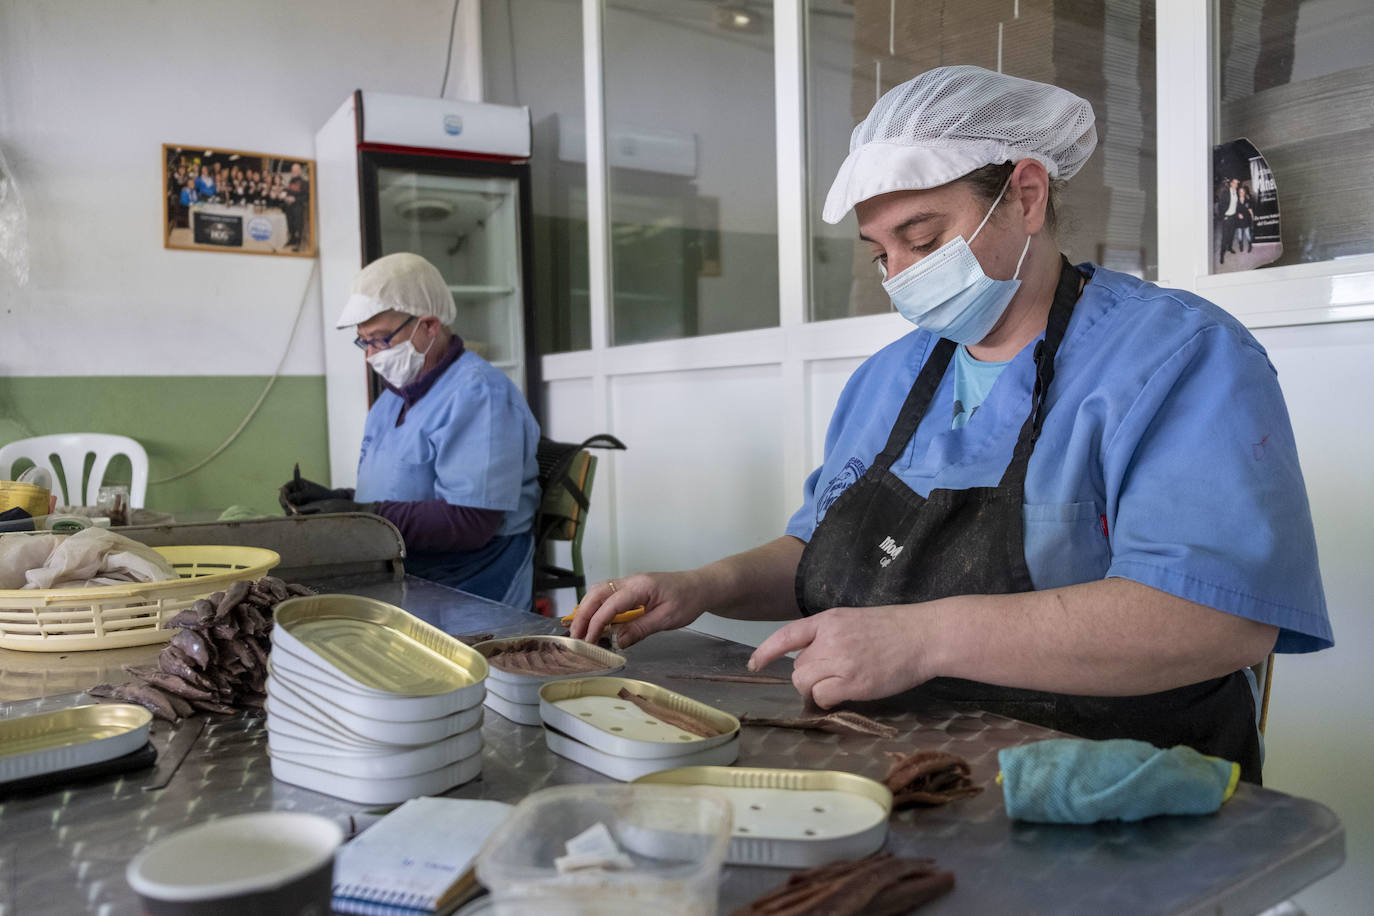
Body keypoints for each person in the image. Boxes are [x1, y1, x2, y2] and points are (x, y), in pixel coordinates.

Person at [569, 66, 1331, 783]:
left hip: (1117, 795)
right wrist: (703, 585)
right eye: (880, 254)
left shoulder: (1178, 357)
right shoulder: (888, 380)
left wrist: (919, 637)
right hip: (910, 774)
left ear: (1027, 195)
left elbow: (1217, 620)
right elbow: (819, 547)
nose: (900, 277)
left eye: (924, 239)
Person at [280, 252, 542, 610]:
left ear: (429, 327)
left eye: (380, 339)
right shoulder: (390, 402)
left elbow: (470, 521)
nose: (370, 355)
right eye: (364, 341)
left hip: (470, 581)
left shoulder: (481, 394)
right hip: (406, 566)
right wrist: (332, 501)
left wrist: (364, 516)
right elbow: (399, 490)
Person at [1236, 185, 1255, 253]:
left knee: (1247, 234)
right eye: (1240, 192)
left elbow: (1250, 209)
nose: (1241, 193)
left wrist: (1252, 217)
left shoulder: (1247, 200)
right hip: (1238, 221)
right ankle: (1241, 245)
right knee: (1240, 235)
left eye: (1242, 192)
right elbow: (1234, 210)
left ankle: (1250, 245)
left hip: (1246, 220)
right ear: (1238, 193)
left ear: (1244, 192)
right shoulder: (1236, 200)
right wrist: (1238, 214)